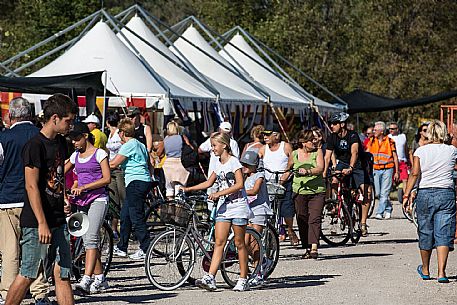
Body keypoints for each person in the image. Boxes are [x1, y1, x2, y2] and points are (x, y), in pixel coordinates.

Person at [5, 93, 77, 305]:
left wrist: (63, 197)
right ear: (55, 118)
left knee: (63, 272)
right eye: (68, 121)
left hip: (57, 219)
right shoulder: (35, 145)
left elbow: (57, 175)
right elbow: (31, 185)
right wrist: (42, 222)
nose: (70, 125)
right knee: (28, 272)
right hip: (37, 221)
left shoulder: (61, 143)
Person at [182, 132, 252, 292]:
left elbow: (240, 184)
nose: (212, 149)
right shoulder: (217, 163)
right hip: (224, 207)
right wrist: (188, 188)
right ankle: (211, 277)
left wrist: (220, 193)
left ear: (224, 145)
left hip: (238, 207)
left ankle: (243, 278)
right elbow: (209, 182)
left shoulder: (234, 162)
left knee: (239, 243)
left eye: (214, 146)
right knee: (219, 242)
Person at [0, 97, 50, 305]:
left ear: (11, 115)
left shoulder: (4, 137)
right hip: (35, 199)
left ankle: (7, 293)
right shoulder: (41, 135)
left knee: (10, 250)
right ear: (29, 113)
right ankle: (40, 293)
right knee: (35, 249)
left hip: (8, 198)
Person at [402, 120, 457, 283]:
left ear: (429, 133)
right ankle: (441, 272)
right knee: (444, 232)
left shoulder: (421, 150)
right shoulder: (452, 150)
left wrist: (406, 195)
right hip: (446, 192)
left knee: (425, 231)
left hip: (425, 193)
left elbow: (414, 173)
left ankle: (425, 269)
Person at [65, 123, 111, 294]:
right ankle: (100, 279)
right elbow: (62, 169)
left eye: (77, 139)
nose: (74, 143)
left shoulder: (100, 153)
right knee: (87, 241)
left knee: (91, 237)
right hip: (82, 201)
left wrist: (84, 187)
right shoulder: (75, 155)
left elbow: (107, 179)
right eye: (72, 140)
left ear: (85, 136)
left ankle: (86, 279)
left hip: (98, 198)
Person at [110, 118, 153, 261]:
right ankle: (122, 246)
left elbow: (114, 163)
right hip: (141, 180)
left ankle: (146, 247)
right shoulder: (139, 144)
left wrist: (98, 164)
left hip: (136, 181)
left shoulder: (129, 145)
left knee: (136, 216)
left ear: (122, 133)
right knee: (125, 214)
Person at [323, 112, 371, 237]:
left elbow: (354, 152)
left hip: (358, 164)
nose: (331, 126)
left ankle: (363, 222)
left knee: (366, 191)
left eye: (334, 123)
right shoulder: (331, 137)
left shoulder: (353, 135)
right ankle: (339, 201)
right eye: (330, 124)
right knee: (333, 180)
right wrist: (323, 172)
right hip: (342, 163)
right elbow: (327, 156)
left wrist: (351, 167)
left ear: (342, 124)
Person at [285, 130, 325, 259]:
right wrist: (280, 181)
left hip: (317, 191)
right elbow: (288, 169)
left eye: (314, 139)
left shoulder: (318, 152)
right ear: (303, 142)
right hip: (299, 191)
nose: (314, 142)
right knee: (302, 218)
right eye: (311, 140)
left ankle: (314, 247)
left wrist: (307, 171)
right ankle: (307, 246)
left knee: (314, 218)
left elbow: (320, 168)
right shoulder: (294, 154)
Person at [259, 124, 298, 245]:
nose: (265, 137)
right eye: (264, 135)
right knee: (268, 209)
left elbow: (292, 163)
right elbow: (257, 163)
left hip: (284, 181)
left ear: (276, 135)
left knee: (286, 208)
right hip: (268, 183)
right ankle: (270, 234)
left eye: (268, 134)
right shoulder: (263, 149)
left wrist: (285, 176)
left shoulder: (285, 146)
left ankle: (290, 230)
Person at [239, 150, 273, 286]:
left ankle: (258, 272)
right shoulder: (244, 177)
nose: (245, 167)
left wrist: (238, 190)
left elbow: (254, 191)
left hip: (259, 210)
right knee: (244, 243)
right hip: (247, 211)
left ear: (255, 165)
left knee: (254, 242)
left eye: (248, 164)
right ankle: (264, 262)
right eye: (243, 164)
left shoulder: (260, 175)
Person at [366, 121, 399, 220]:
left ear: (381, 131)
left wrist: (397, 171)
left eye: (375, 130)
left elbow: (395, 157)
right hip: (376, 169)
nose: (373, 131)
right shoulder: (371, 141)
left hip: (388, 169)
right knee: (378, 193)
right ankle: (388, 208)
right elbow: (367, 154)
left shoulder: (390, 141)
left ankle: (379, 212)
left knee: (384, 192)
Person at [105, 112, 125, 239]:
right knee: (114, 199)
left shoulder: (119, 134)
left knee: (123, 198)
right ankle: (113, 228)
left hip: (119, 168)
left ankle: (124, 227)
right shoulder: (111, 134)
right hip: (111, 168)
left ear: (108, 122)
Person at [162, 121, 190, 198]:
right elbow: (190, 148)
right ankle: (179, 207)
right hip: (180, 163)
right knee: (179, 187)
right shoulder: (182, 137)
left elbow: (161, 152)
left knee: (169, 188)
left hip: (168, 164)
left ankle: (170, 207)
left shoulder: (165, 139)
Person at [388, 122, 410, 197]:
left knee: (405, 179)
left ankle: (405, 197)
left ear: (397, 129)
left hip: (402, 161)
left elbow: (406, 149)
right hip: (392, 162)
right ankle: (387, 197)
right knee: (389, 181)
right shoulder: (387, 137)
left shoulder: (403, 136)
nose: (391, 130)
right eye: (390, 128)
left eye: (392, 129)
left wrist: (409, 159)